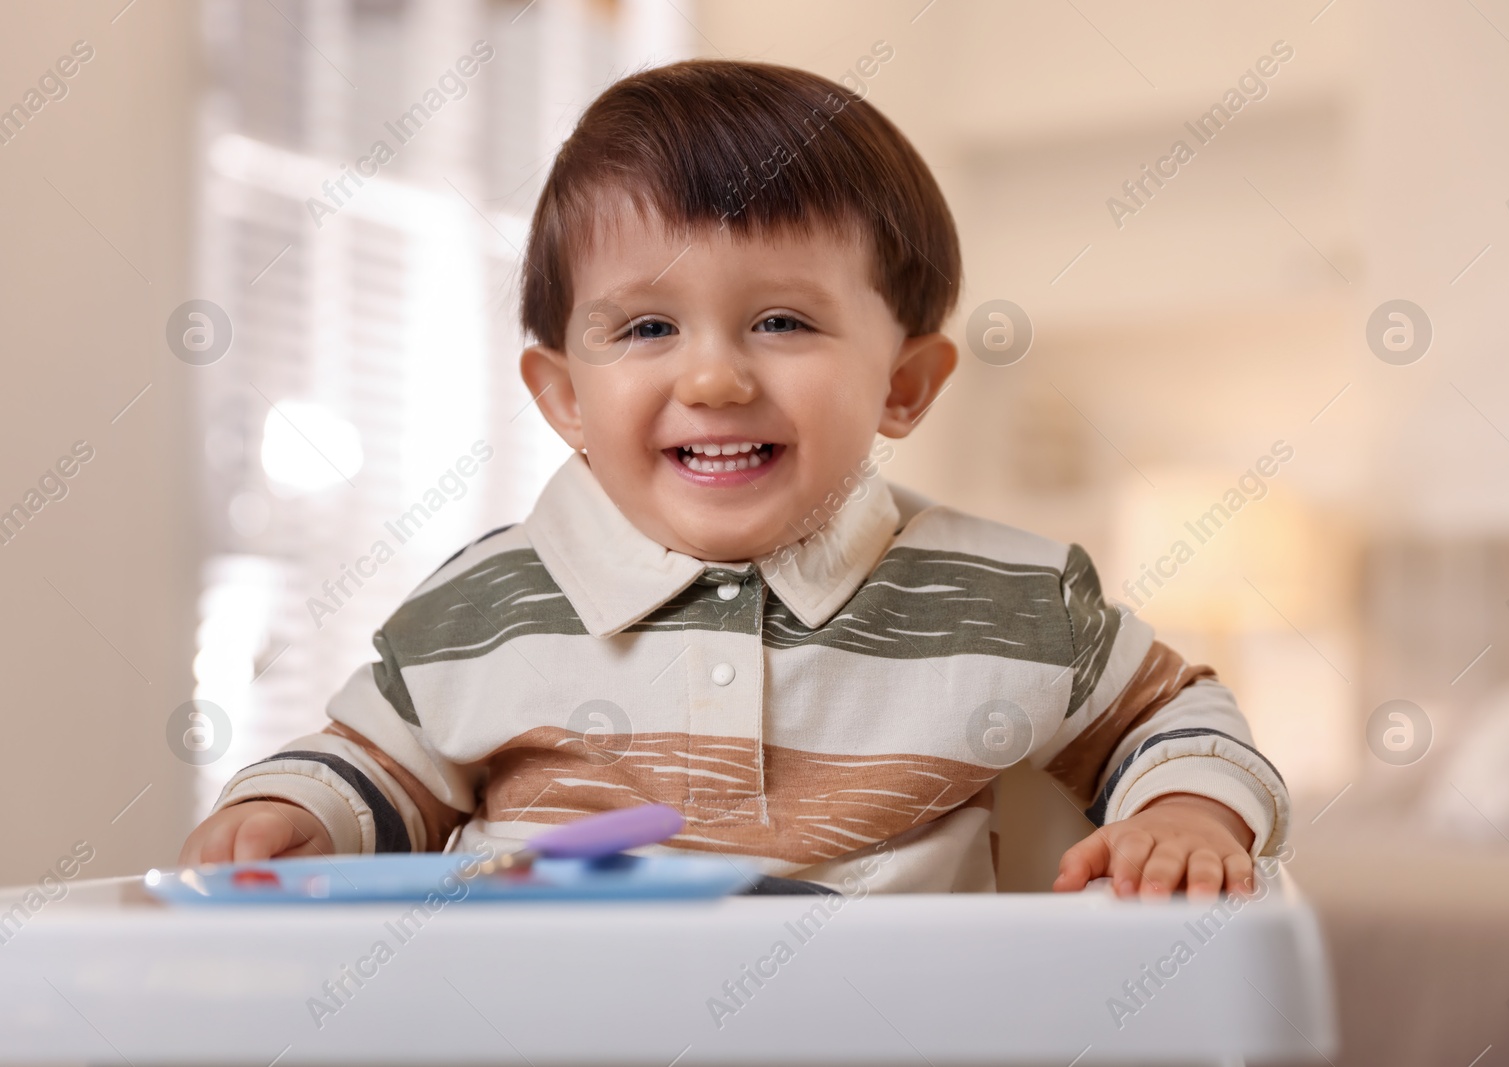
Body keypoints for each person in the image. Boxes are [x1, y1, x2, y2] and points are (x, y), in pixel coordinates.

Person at [180, 59, 1288, 898]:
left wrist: (1187, 814)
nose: (712, 375)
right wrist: (292, 811)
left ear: (903, 382)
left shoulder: (1006, 599)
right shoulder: (486, 603)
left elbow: (1174, 715)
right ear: (564, 394)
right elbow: (375, 765)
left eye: (781, 320)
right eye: (649, 325)